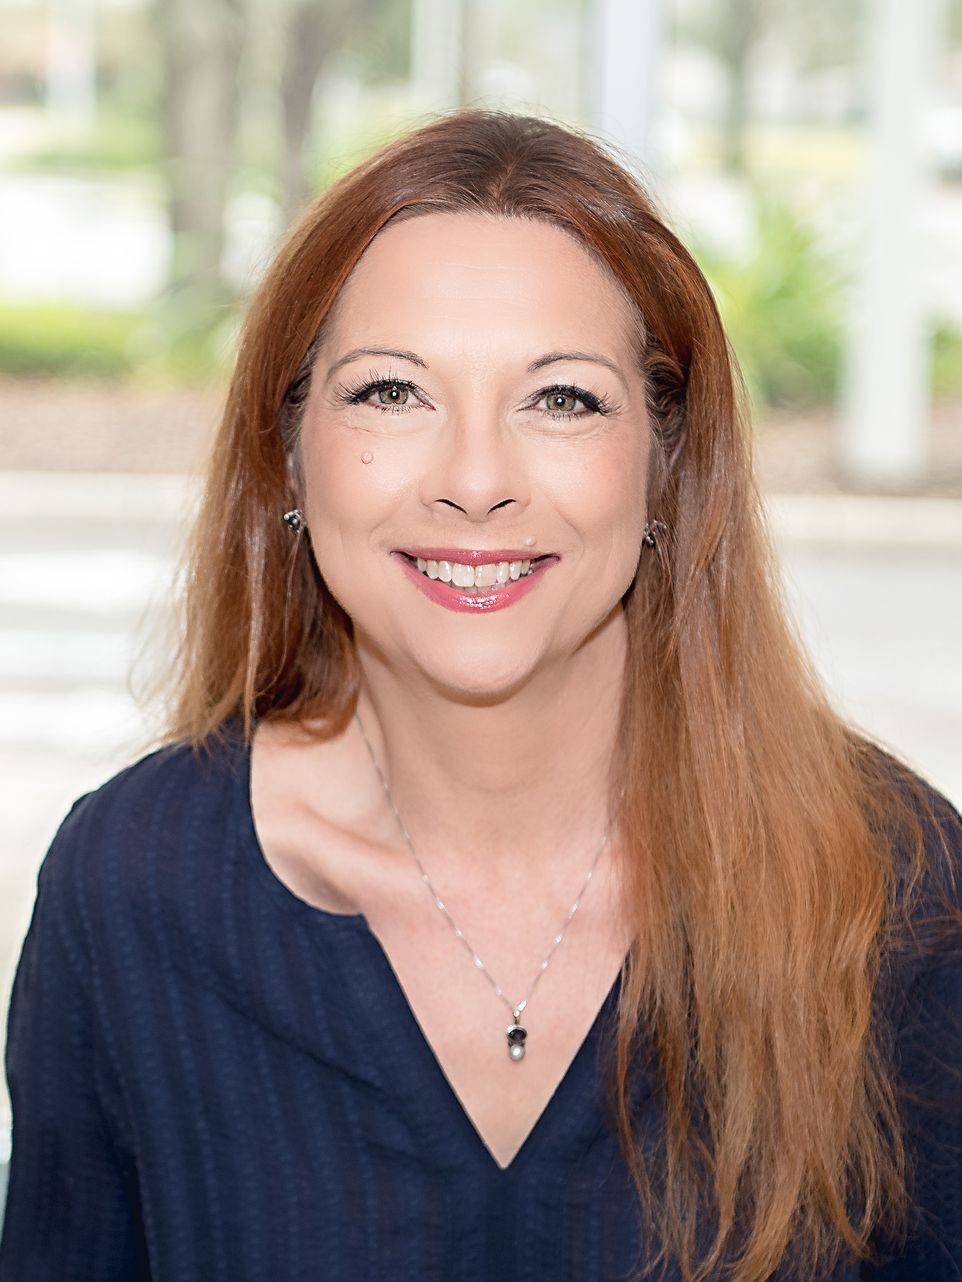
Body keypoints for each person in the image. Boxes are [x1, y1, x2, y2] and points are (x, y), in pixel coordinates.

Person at [1, 109, 960, 1282]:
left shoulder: (888, 882)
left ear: (666, 460)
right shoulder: (130, 888)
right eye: (392, 392)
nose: (473, 481)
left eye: (559, 399)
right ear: (290, 451)